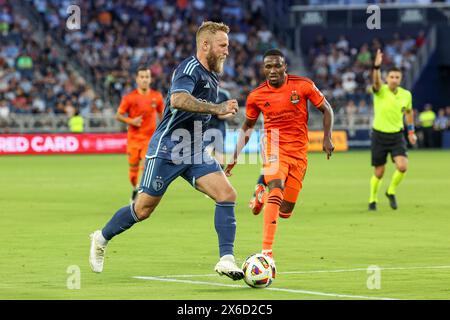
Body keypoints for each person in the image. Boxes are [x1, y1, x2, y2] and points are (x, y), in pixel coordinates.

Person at [89, 21, 244, 280]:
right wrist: (217, 108)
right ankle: (101, 238)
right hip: (168, 148)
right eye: (223, 45)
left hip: (193, 149)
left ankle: (226, 259)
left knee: (227, 194)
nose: (227, 50)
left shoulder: (212, 74)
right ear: (206, 45)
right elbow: (177, 99)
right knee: (143, 209)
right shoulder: (189, 69)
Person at [225, 49, 335, 259]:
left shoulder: (303, 85)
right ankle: (267, 252)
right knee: (277, 188)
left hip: (299, 151)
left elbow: (327, 108)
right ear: (263, 69)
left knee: (285, 211)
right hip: (273, 145)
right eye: (268, 66)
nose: (273, 70)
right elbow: (248, 126)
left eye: (277, 66)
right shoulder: (256, 96)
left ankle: (261, 191)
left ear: (285, 67)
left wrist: (327, 137)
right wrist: (235, 156)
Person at [368, 49, 417, 211]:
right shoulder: (380, 90)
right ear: (386, 78)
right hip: (379, 135)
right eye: (391, 77)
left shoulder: (406, 95)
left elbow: (409, 113)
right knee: (379, 172)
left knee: (403, 166)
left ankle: (391, 191)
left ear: (401, 78)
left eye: (397, 77)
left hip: (397, 135)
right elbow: (375, 82)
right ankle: (373, 198)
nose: (394, 80)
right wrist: (376, 67)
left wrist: (411, 131)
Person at [116, 66, 164, 201]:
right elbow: (118, 115)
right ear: (137, 79)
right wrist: (131, 121)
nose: (144, 80)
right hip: (133, 139)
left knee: (146, 167)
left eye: (147, 77)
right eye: (142, 77)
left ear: (150, 79)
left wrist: (164, 131)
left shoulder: (157, 96)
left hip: (149, 139)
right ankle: (135, 188)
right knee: (133, 173)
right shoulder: (129, 98)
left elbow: (163, 116)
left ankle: (143, 194)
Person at [204, 85, 232, 167]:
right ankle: (208, 173)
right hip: (206, 126)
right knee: (206, 151)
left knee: (218, 153)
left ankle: (218, 174)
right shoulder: (205, 93)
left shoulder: (223, 94)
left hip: (220, 126)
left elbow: (231, 111)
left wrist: (224, 115)